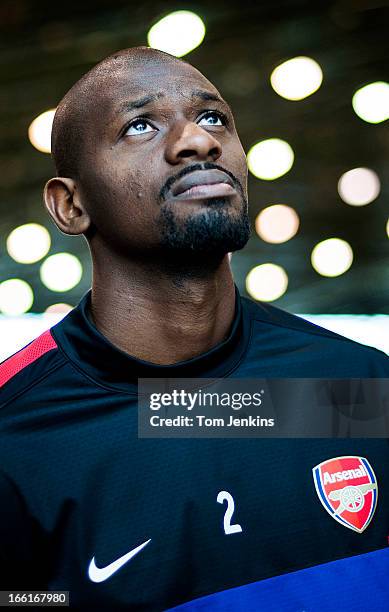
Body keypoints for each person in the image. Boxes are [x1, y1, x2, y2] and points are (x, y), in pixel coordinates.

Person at [0, 47, 388, 611]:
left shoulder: (358, 388)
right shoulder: (17, 437)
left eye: (214, 119)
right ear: (70, 205)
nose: (199, 142)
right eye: (140, 126)